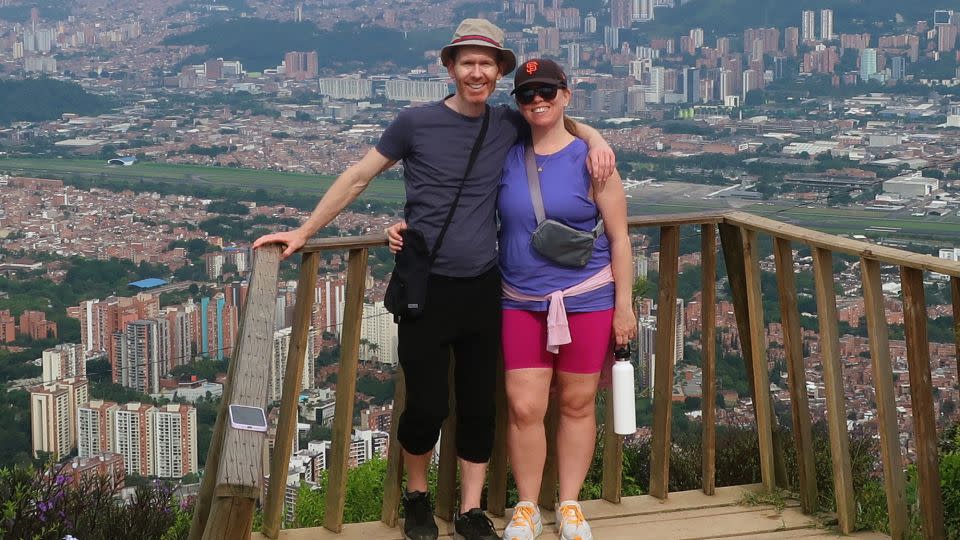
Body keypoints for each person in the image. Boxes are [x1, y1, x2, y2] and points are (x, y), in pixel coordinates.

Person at [253, 20, 616, 540]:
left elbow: (554, 118)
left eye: (486, 63)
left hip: (485, 285)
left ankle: (470, 509)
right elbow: (359, 175)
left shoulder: (507, 124)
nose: (476, 71)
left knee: (477, 404)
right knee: (424, 404)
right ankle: (417, 496)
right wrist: (306, 231)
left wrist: (598, 137)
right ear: (449, 68)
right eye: (466, 62)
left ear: (497, 73)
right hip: (426, 286)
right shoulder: (414, 123)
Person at [498, 59, 636, 540]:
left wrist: (625, 306)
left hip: (588, 298)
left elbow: (620, 238)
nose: (537, 100)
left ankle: (571, 503)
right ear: (517, 103)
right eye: (527, 94)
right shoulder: (507, 155)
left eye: (546, 92)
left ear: (566, 94)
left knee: (577, 403)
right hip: (520, 299)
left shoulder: (592, 160)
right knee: (524, 406)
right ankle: (528, 505)